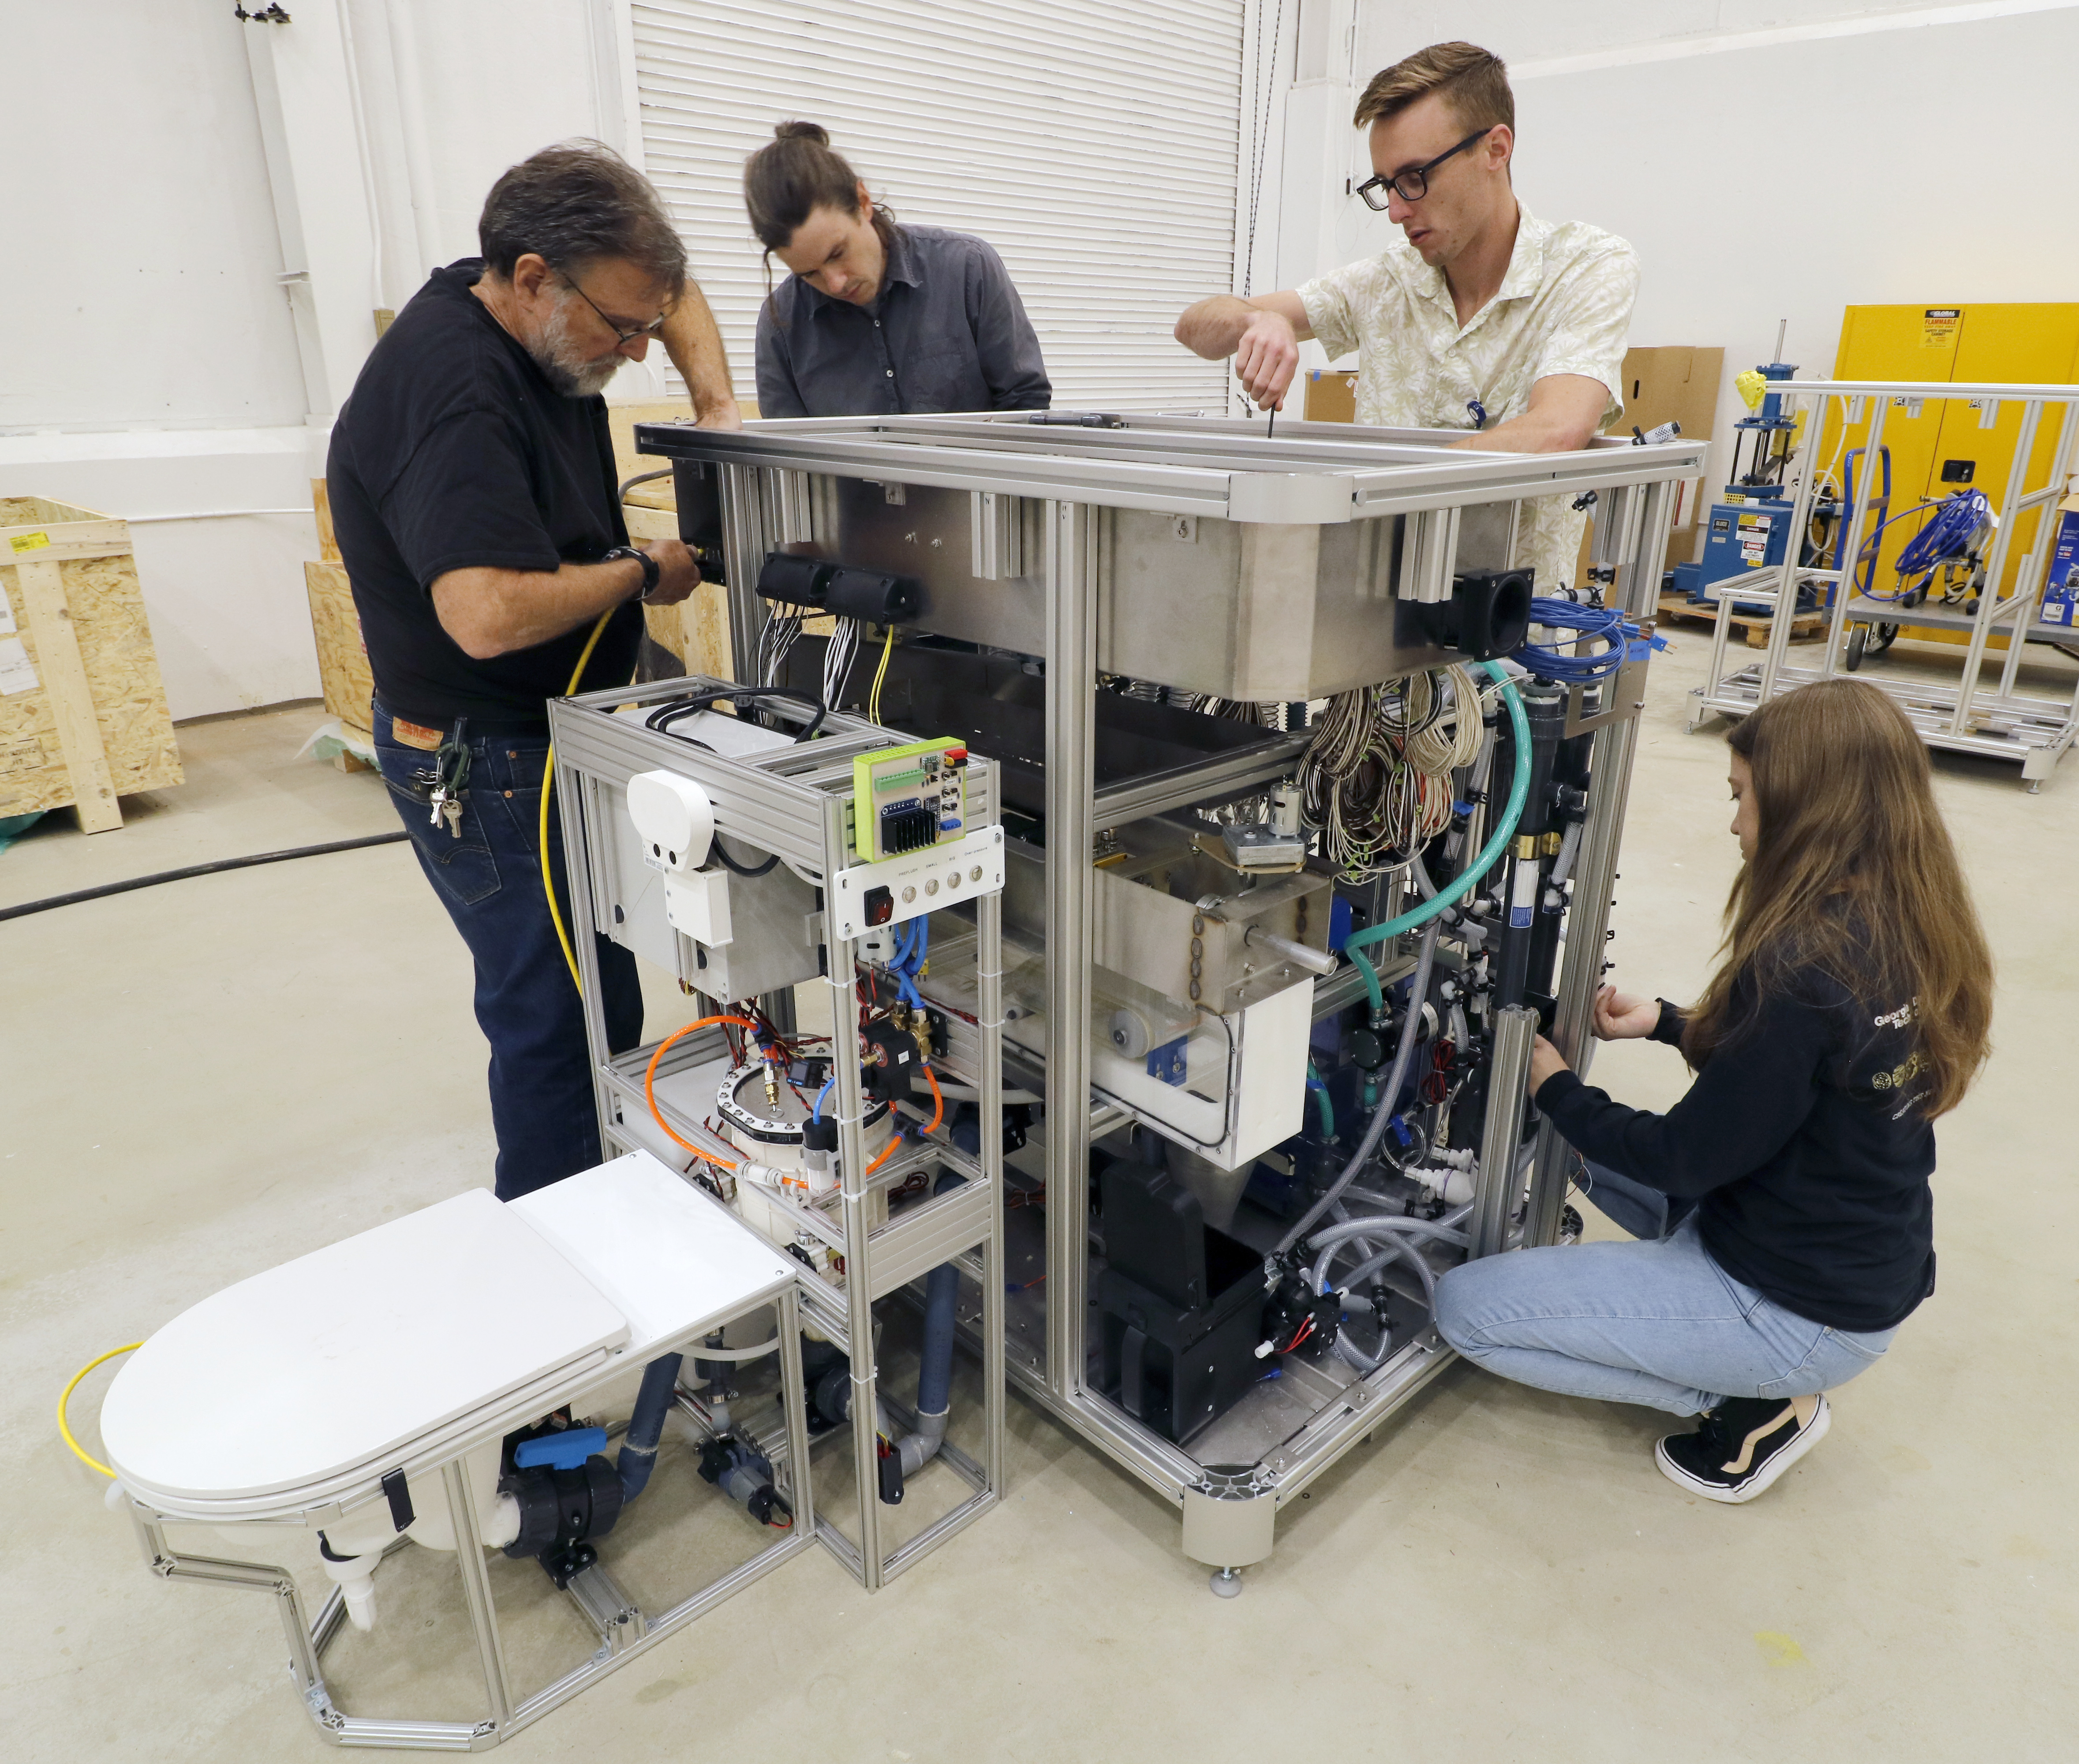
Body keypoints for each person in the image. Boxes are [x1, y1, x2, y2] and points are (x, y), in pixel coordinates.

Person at [1433, 679, 1994, 1503]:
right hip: (1853, 1258)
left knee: (1463, 1310)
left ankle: (1753, 1404)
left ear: (1807, 807)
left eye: (1741, 798)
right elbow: (1792, 1072)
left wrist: (1550, 1082)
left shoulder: (1798, 968)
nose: (1733, 822)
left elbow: (1678, 1160)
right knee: (1578, 1152)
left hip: (1789, 1305)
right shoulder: (1910, 919)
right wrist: (1666, 1022)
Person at [327, 140, 734, 1200]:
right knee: (556, 1015)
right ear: (530, 279)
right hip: (489, 760)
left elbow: (667, 295)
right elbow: (486, 613)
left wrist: (720, 410)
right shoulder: (454, 390)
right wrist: (643, 569)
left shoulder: (551, 299)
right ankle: (567, 1251)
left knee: (614, 979)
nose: (641, 352)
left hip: (561, 725)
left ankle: (625, 1192)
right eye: (621, 329)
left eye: (649, 326)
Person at [1172, 41, 1638, 590]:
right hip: (1375, 618)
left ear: (1496, 149)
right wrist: (1255, 320)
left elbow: (1557, 428)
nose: (1396, 210)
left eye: (1415, 177)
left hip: (1514, 633)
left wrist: (1364, 489)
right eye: (1385, 186)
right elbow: (1194, 328)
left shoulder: (1585, 267)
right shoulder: (1387, 282)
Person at [744, 121, 1051, 419]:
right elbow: (791, 457)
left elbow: (1026, 404)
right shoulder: (780, 327)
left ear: (863, 202)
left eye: (838, 253)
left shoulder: (968, 269)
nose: (835, 284)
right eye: (809, 274)